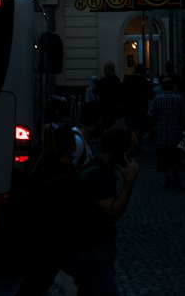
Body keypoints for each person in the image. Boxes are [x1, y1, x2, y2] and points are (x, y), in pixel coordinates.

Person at [9, 122, 81, 296]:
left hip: (40, 239)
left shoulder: (42, 166)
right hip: (51, 241)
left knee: (36, 281)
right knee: (38, 282)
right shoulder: (63, 176)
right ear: (70, 147)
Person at [72, 125, 139, 296]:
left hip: (89, 251)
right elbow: (110, 213)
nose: (132, 158)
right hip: (92, 253)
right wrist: (129, 182)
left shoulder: (98, 168)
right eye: (130, 151)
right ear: (120, 150)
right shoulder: (98, 175)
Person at [147, 76, 185, 187]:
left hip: (162, 133)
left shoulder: (158, 99)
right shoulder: (179, 98)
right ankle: (175, 171)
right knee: (175, 156)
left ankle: (168, 177)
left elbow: (150, 115)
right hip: (176, 132)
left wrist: (151, 128)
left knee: (163, 157)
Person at [117, 65, 152, 144]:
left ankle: (130, 144)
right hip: (141, 109)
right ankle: (137, 144)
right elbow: (150, 94)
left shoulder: (127, 80)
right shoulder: (145, 82)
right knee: (139, 128)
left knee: (130, 127)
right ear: (142, 72)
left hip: (129, 108)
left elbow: (121, 93)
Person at [93, 63, 121, 129]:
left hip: (105, 106)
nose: (104, 71)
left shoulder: (104, 80)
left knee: (105, 124)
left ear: (109, 69)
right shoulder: (116, 80)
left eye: (105, 69)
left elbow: (98, 91)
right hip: (112, 106)